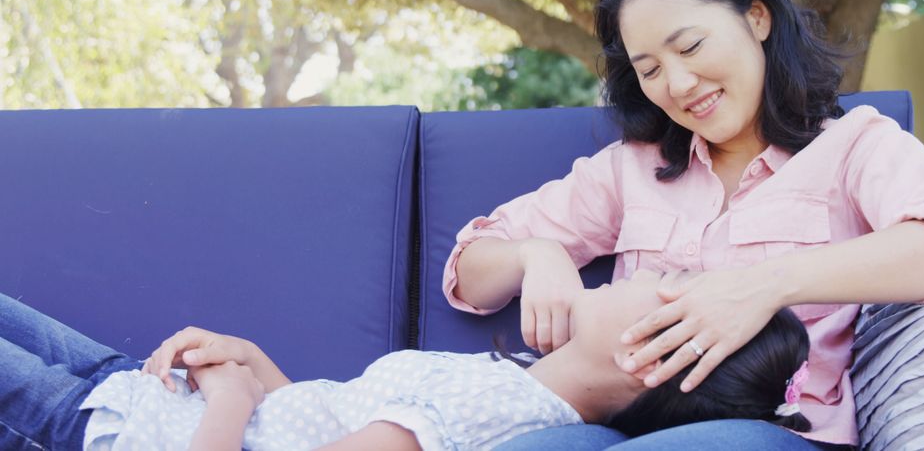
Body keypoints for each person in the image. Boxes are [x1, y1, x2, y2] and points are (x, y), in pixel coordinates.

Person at [444, 0, 924, 449]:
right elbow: (469, 270)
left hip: (776, 431)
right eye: (650, 69)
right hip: (627, 428)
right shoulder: (629, 170)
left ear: (756, 18)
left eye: (688, 47)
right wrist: (535, 254)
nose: (679, 84)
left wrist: (764, 287)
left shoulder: (854, 147)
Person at [0, 269, 812, 451]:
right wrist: (247, 361)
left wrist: (228, 397)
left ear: (646, 358)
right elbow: (326, 419)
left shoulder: (492, 417)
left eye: (670, 291)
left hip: (111, 433)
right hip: (131, 390)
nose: (652, 272)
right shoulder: (509, 383)